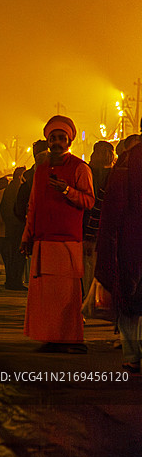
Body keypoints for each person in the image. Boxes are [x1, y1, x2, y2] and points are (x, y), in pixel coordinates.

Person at [21, 115, 95, 353]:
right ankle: (50, 336)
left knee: (66, 295)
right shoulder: (41, 170)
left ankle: (70, 340)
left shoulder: (80, 168)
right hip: (43, 240)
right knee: (46, 296)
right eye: (53, 138)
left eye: (61, 138)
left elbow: (89, 201)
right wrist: (27, 235)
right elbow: (33, 204)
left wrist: (67, 191)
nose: (57, 142)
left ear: (69, 141)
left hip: (67, 241)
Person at [95, 133, 142, 372]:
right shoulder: (126, 164)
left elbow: (111, 210)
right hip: (130, 240)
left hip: (128, 242)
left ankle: (132, 355)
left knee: (129, 299)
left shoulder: (124, 163)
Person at [81, 141, 115, 317]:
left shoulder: (88, 172)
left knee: (89, 268)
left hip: (91, 228)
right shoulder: (113, 174)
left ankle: (90, 302)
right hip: (99, 229)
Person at [0, 167, 28, 290]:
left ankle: (11, 281)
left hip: (11, 228)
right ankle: (15, 282)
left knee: (11, 256)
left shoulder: (10, 188)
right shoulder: (17, 188)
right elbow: (16, 208)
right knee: (17, 256)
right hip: (17, 228)